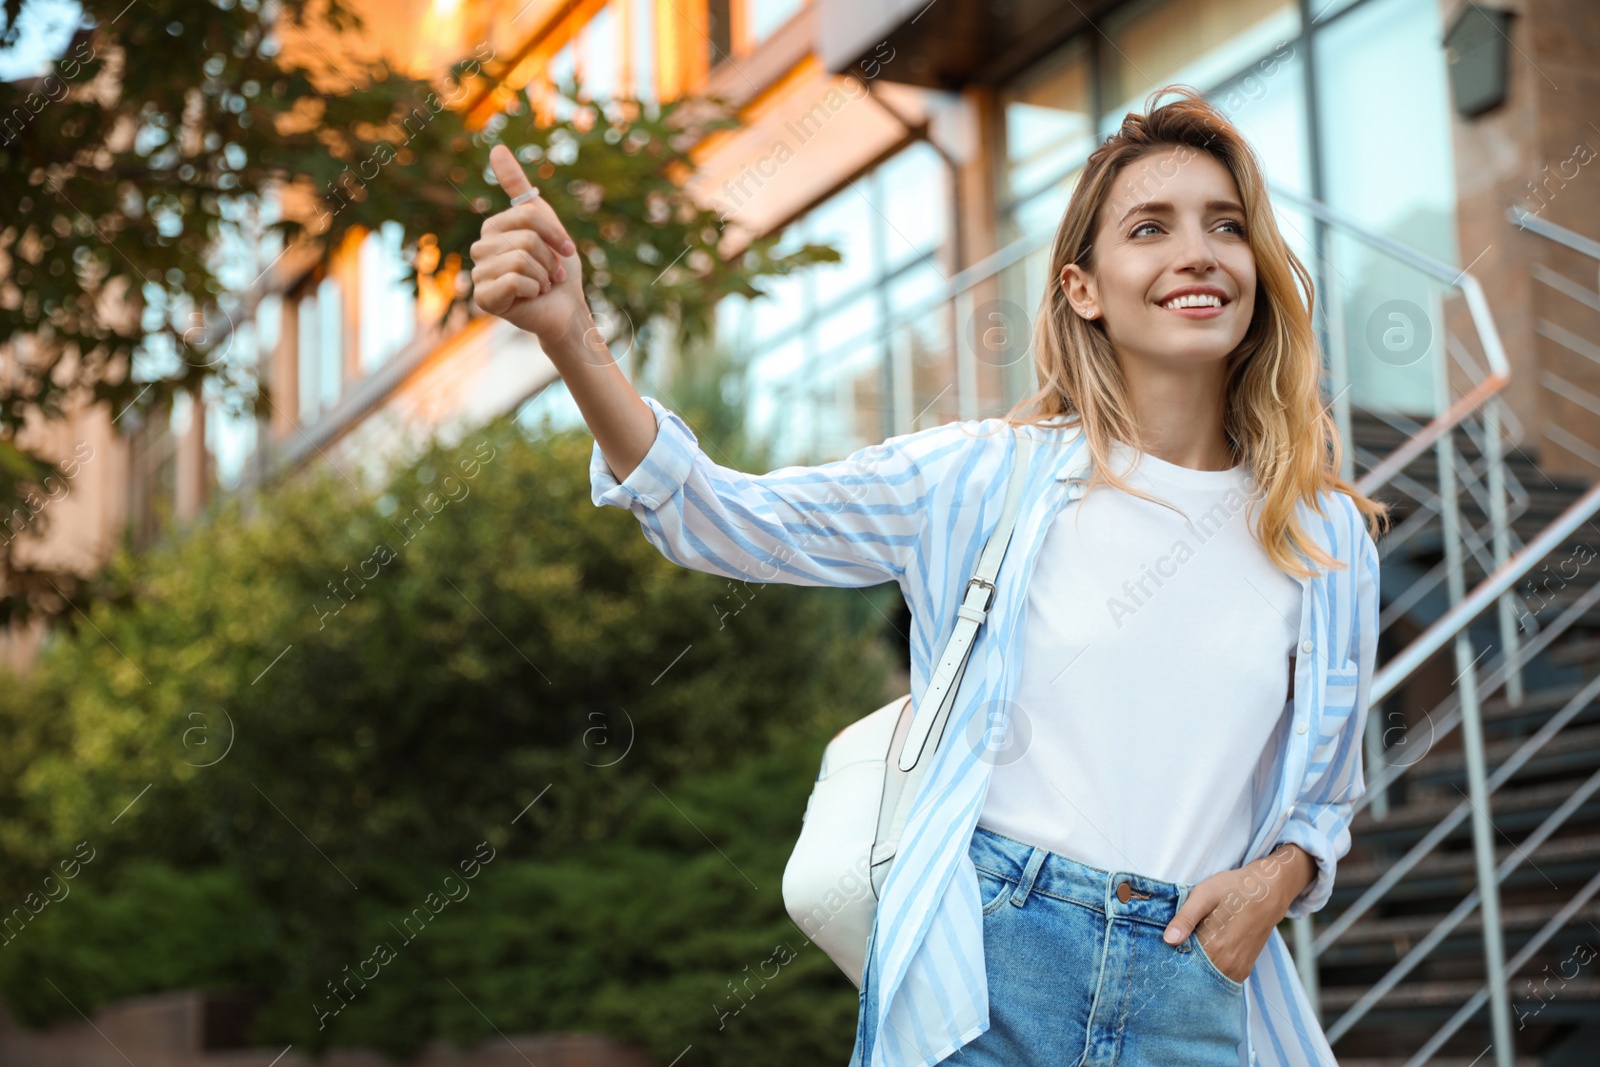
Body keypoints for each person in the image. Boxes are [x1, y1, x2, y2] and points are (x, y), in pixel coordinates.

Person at [469, 83, 1387, 1067]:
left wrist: (1275, 881)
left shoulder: (1322, 535)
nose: (1197, 252)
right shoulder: (985, 475)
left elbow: (1321, 794)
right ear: (1082, 287)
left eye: (1226, 226)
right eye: (1150, 228)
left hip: (1190, 983)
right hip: (982, 973)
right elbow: (722, 517)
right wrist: (574, 339)